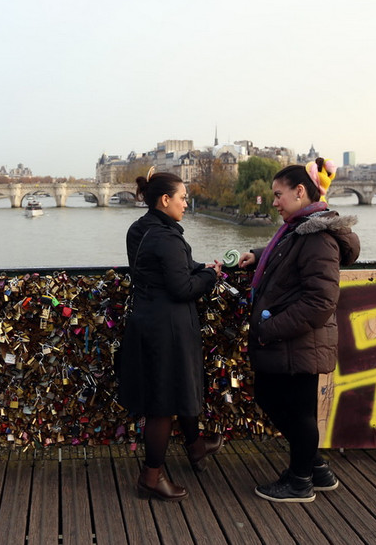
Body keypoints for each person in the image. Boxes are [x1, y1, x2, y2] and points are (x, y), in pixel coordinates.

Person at [238, 158, 360, 503]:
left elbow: (320, 302)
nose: (274, 201)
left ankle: (300, 481)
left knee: (298, 412)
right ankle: (315, 468)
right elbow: (291, 256)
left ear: (300, 191)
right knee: (279, 401)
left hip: (297, 340)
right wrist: (258, 255)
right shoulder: (302, 228)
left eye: (279, 194)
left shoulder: (317, 234)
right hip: (294, 341)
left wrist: (268, 329)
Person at [119, 168, 224, 501]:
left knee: (176, 386)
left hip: (148, 320)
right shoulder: (166, 237)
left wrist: (198, 268)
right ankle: (151, 477)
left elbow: (163, 271)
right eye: (182, 198)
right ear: (165, 200)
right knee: (163, 403)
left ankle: (195, 446)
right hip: (167, 328)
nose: (186, 203)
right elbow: (182, 288)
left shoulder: (141, 229)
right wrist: (212, 277)